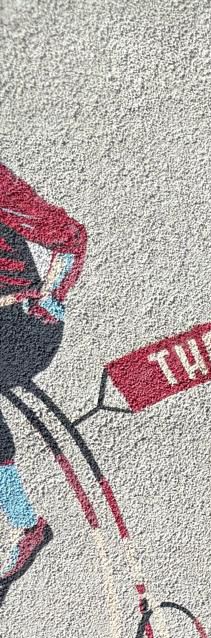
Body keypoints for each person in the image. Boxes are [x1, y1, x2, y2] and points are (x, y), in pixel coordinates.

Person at [0, 163, 87, 602]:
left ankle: (27, 526)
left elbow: (71, 237)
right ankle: (27, 526)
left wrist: (50, 298)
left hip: (25, 326)